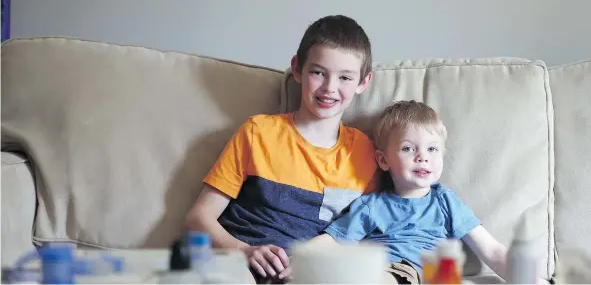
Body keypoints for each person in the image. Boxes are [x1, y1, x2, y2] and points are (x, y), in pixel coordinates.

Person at [185, 15, 378, 283]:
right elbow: (198, 217)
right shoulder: (258, 132)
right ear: (297, 69)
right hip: (240, 264)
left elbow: (366, 234)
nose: (329, 88)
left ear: (363, 82)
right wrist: (243, 251)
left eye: (345, 77)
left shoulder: (368, 154)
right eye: (318, 72)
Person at [301, 100, 510, 284]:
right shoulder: (372, 205)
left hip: (422, 274)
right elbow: (335, 238)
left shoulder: (445, 201)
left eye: (432, 149)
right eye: (408, 148)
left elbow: (491, 250)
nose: (422, 157)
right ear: (383, 160)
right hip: (379, 270)